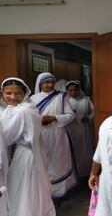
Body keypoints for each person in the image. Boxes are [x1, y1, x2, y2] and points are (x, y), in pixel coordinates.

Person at [0, 77, 55, 216]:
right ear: (2, 93)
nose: (12, 97)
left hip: (22, 156)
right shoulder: (27, 107)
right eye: (8, 93)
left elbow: (5, 137)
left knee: (21, 190)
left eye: (18, 93)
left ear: (25, 94)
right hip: (27, 154)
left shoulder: (21, 112)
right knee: (30, 189)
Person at [30, 72, 77, 199]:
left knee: (58, 162)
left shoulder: (61, 97)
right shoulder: (32, 99)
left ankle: (58, 192)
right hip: (40, 136)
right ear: (40, 84)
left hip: (57, 135)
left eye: (52, 82)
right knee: (42, 162)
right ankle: (45, 193)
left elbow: (71, 115)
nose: (50, 85)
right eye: (46, 82)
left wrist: (54, 117)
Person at [65, 80, 94, 178]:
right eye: (70, 90)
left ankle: (84, 173)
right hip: (70, 129)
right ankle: (72, 174)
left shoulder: (86, 100)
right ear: (67, 91)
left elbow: (94, 112)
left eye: (75, 90)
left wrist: (89, 118)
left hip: (83, 129)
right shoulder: (65, 101)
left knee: (84, 150)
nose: (73, 92)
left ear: (79, 90)